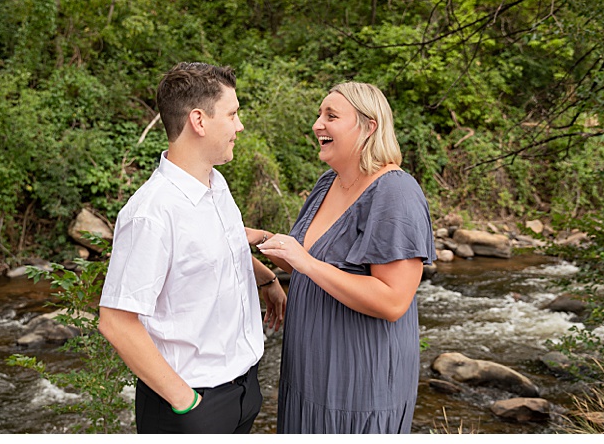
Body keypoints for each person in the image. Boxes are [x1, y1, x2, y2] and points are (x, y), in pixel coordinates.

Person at [98, 62, 286, 434]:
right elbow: (116, 322)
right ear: (199, 121)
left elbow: (221, 246)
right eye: (232, 114)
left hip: (244, 387)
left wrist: (266, 280)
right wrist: (187, 403)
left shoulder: (216, 184)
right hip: (191, 405)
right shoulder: (150, 214)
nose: (240, 125)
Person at [256, 82, 435, 434]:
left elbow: (393, 300)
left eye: (331, 116)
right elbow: (302, 262)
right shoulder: (328, 183)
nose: (317, 124)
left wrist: (305, 263)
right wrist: (256, 239)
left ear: (369, 126)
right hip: (308, 373)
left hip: (358, 382)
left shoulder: (395, 193)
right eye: (320, 114)